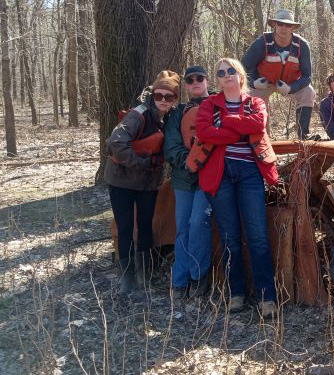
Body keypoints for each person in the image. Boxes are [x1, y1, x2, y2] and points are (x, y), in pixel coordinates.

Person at [195, 58, 280, 318]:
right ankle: (237, 293)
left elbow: (256, 126)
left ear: (240, 75)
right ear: (218, 79)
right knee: (230, 237)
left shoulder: (256, 102)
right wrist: (236, 130)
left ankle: (267, 297)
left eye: (231, 70)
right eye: (221, 73)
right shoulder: (209, 104)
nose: (226, 75)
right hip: (220, 175)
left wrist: (226, 123)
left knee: (257, 236)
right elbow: (204, 132)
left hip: (250, 174)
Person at [105, 70, 179, 294]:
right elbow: (115, 142)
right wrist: (140, 163)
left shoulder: (170, 118)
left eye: (169, 96)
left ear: (175, 98)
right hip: (122, 181)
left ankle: (144, 274)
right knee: (126, 227)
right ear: (152, 95)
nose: (163, 100)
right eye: (159, 95)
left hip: (148, 183)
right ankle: (127, 278)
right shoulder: (138, 115)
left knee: (147, 225)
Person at [164, 65, 213, 298]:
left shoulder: (218, 106)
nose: (195, 82)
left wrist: (205, 161)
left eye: (199, 78)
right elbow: (171, 147)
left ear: (206, 80)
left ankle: (199, 276)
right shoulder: (177, 112)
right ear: (186, 84)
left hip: (209, 177)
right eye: (190, 79)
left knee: (198, 223)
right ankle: (179, 280)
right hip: (184, 179)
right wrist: (190, 160)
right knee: (182, 227)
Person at [241, 9, 316, 140]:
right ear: (274, 25)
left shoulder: (301, 45)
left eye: (288, 25)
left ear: (293, 28)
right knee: (250, 97)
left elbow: (307, 76)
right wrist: (254, 82)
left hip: (290, 83)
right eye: (280, 24)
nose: (283, 28)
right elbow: (243, 66)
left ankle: (304, 136)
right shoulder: (263, 42)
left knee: (308, 92)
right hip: (263, 84)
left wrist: (291, 88)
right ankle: (261, 139)